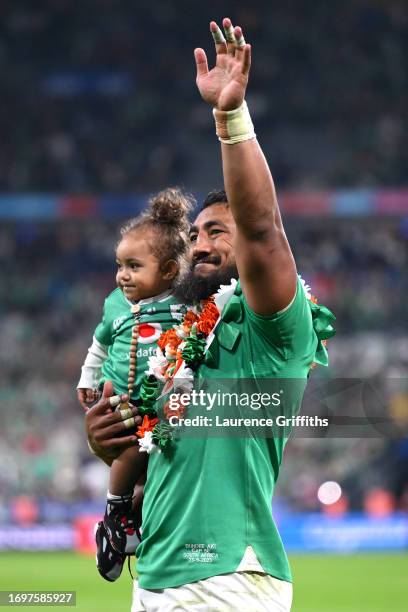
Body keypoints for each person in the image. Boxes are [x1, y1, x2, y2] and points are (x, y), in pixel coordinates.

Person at [85, 17, 335, 611]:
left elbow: (262, 229)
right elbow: (158, 455)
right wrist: (110, 444)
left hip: (226, 578)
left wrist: (230, 120)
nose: (198, 246)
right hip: (159, 575)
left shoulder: (274, 330)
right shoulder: (183, 342)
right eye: (194, 235)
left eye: (215, 233)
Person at [77, 188, 193, 581]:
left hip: (164, 399)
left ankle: (120, 526)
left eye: (133, 266)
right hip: (122, 395)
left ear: (169, 271)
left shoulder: (187, 301)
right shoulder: (115, 303)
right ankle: (114, 515)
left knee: (152, 459)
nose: (123, 275)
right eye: (119, 265)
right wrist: (87, 378)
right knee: (128, 449)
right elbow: (99, 342)